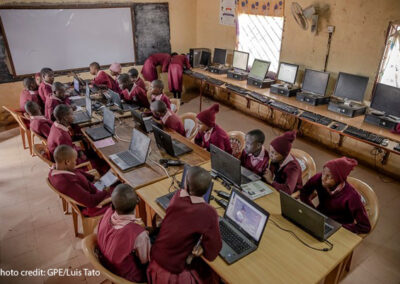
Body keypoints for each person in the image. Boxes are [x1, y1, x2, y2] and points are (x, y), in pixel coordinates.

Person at [148, 166, 222, 283]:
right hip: (173, 275)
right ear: (208, 190)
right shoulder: (209, 212)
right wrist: (202, 247)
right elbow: (213, 253)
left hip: (155, 261)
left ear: (186, 185)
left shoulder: (177, 196)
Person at [300, 157, 371, 234]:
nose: (323, 178)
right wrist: (313, 211)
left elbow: (365, 227)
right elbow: (304, 193)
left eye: (329, 176)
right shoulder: (318, 178)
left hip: (338, 227)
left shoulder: (352, 196)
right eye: (323, 173)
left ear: (338, 179)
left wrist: (338, 226)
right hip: (320, 219)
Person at [97, 184, 150, 282]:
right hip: (128, 276)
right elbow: (145, 260)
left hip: (107, 263)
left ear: (113, 203)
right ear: (137, 202)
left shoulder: (107, 213)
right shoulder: (139, 234)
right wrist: (141, 231)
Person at [48, 145, 111, 217]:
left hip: (90, 189)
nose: (75, 162)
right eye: (74, 160)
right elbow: (91, 201)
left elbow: (75, 171)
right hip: (91, 206)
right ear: (67, 162)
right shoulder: (68, 182)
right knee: (120, 189)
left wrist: (92, 178)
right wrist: (106, 192)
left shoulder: (55, 169)